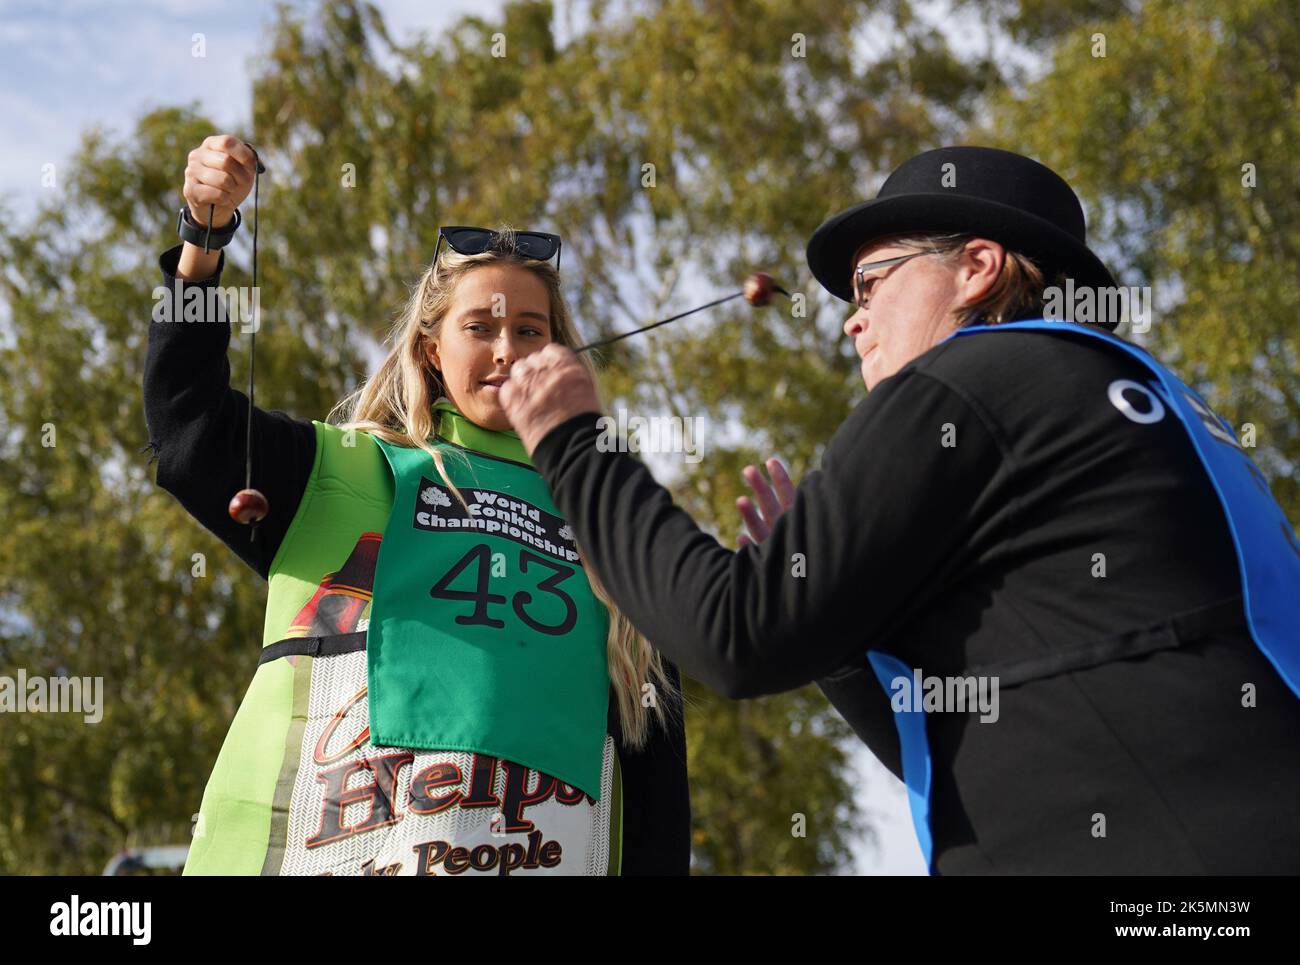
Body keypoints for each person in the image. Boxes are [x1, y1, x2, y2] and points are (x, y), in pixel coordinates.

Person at [499, 145, 1300, 874]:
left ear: (978, 267)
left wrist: (573, 441)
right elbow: (957, 738)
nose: (852, 318)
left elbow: (734, 633)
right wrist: (836, 629)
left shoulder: (969, 381)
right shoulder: (1159, 410)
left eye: (872, 285)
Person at [143, 134, 689, 876]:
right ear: (431, 349)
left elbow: (656, 808)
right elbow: (188, 424)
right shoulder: (343, 471)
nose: (506, 350)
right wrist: (202, 241)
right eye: (480, 326)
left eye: (530, 329)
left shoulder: (614, 528)